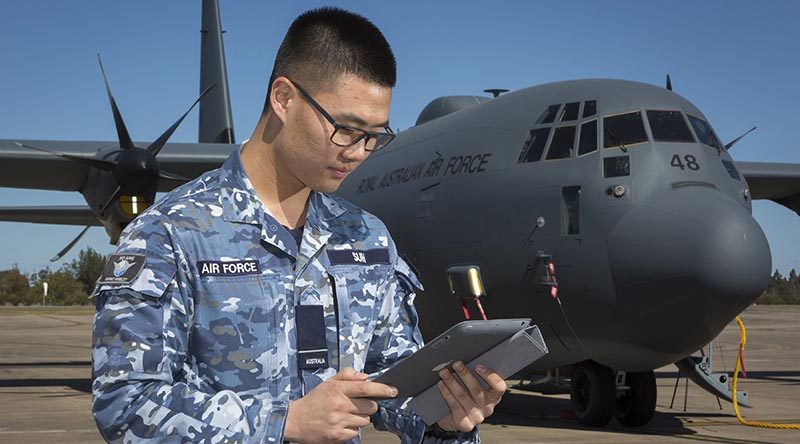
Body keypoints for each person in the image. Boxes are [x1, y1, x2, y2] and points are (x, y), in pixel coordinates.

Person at [91, 7, 505, 443]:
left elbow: (392, 380)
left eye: (376, 135)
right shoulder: (171, 234)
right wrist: (284, 422)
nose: (359, 151)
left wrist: (444, 413)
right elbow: (126, 404)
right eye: (346, 129)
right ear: (284, 98)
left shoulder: (366, 235)